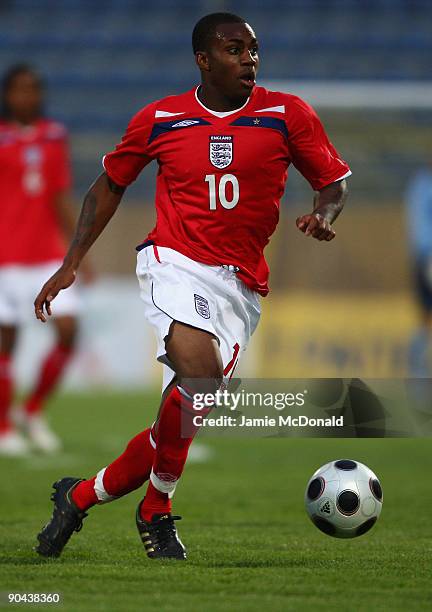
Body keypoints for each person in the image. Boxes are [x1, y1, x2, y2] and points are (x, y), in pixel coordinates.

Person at [34, 13, 350, 559]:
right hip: (174, 262)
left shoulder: (285, 114)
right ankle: (156, 512)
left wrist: (326, 213)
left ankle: (79, 496)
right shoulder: (161, 118)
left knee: (175, 423)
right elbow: (109, 185)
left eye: (253, 49)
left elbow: (333, 180)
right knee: (198, 378)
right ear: (203, 59)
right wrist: (71, 261)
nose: (249, 58)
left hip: (241, 285)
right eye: (234, 49)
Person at [0, 64, 87, 456]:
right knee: (7, 343)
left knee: (69, 330)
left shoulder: (55, 135)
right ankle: (4, 427)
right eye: (18, 90)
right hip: (5, 256)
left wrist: (76, 251)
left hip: (46, 256)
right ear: (6, 95)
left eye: (32, 89)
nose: (26, 96)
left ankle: (31, 410)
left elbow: (58, 195)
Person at [405, 161, 432, 376]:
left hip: (423, 257)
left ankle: (418, 374)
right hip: (428, 257)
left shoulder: (420, 185)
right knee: (425, 316)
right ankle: (419, 374)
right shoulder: (424, 186)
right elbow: (422, 229)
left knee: (425, 317)